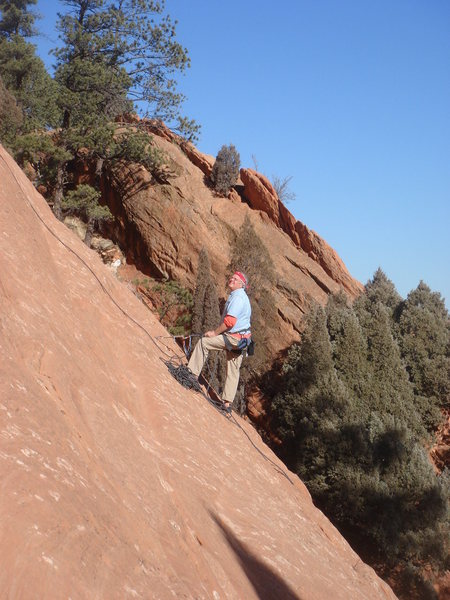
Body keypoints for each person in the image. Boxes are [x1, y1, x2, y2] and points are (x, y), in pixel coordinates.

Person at [187, 271, 252, 411]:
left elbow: (230, 322)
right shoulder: (242, 297)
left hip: (233, 338)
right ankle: (227, 404)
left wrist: (214, 333)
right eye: (231, 277)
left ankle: (191, 374)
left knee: (204, 343)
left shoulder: (238, 298)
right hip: (243, 341)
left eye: (235, 279)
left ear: (241, 284)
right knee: (234, 370)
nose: (231, 279)